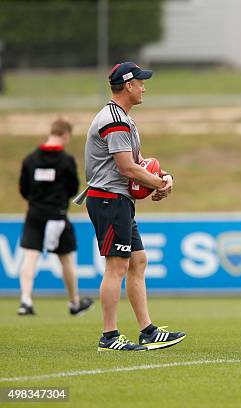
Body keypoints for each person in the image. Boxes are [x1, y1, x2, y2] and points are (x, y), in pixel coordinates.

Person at [83, 62, 186, 351]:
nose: (144, 87)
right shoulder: (114, 119)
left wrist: (163, 177)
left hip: (118, 199)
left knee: (137, 261)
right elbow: (127, 168)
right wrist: (157, 183)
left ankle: (147, 330)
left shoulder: (122, 117)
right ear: (128, 85)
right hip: (109, 199)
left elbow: (139, 164)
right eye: (140, 82)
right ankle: (109, 335)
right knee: (116, 266)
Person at [17, 117, 94, 316]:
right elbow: (73, 188)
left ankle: (25, 300)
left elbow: (24, 188)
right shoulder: (66, 160)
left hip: (35, 213)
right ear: (66, 134)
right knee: (66, 259)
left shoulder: (30, 159)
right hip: (57, 215)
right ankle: (74, 302)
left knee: (30, 256)